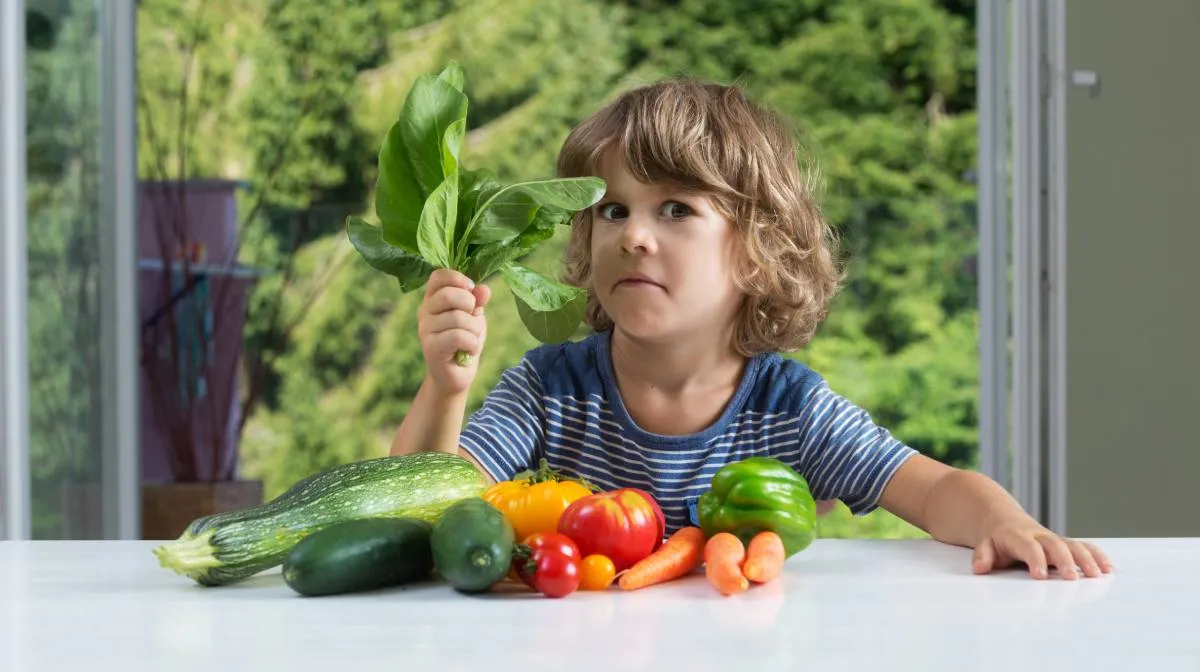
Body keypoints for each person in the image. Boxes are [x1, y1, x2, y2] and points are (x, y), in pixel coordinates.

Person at [391, 77, 1113, 581]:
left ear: (756, 250)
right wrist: (446, 385)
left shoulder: (789, 407)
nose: (634, 236)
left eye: (675, 209)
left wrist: (1009, 524)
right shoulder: (549, 390)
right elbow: (414, 514)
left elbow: (934, 489)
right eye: (612, 210)